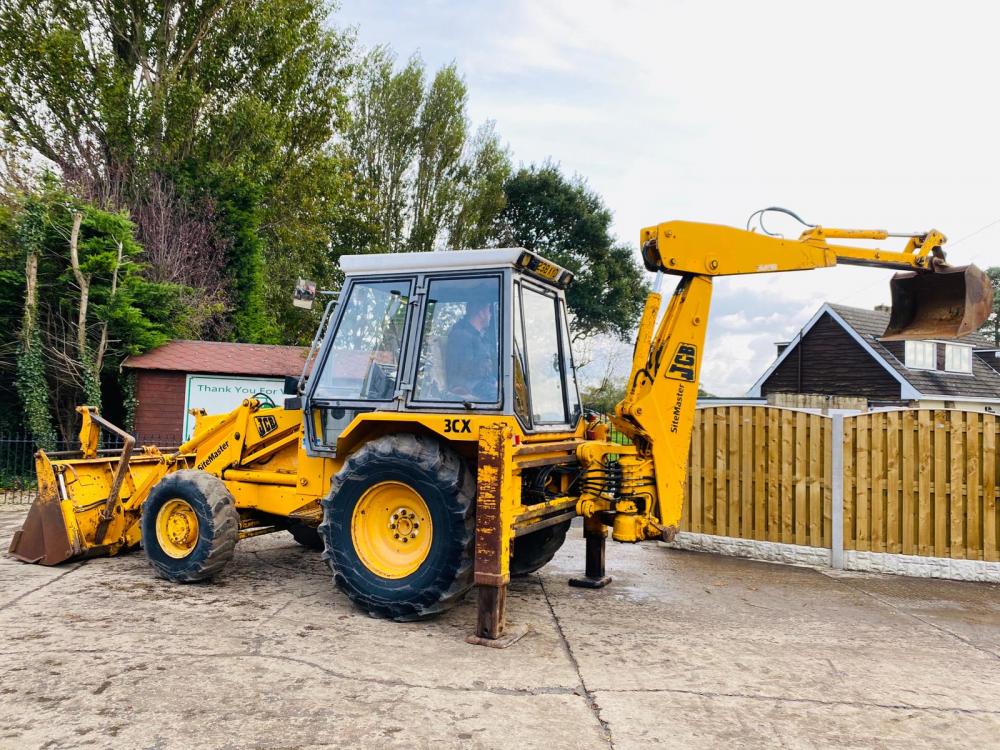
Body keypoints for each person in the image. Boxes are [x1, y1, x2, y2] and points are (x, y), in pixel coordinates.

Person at [444, 299, 498, 401]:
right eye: (489, 310)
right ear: (481, 313)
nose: (491, 314)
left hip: (480, 383)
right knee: (503, 398)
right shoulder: (461, 336)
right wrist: (493, 382)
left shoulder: (481, 338)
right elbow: (467, 371)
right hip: (468, 385)